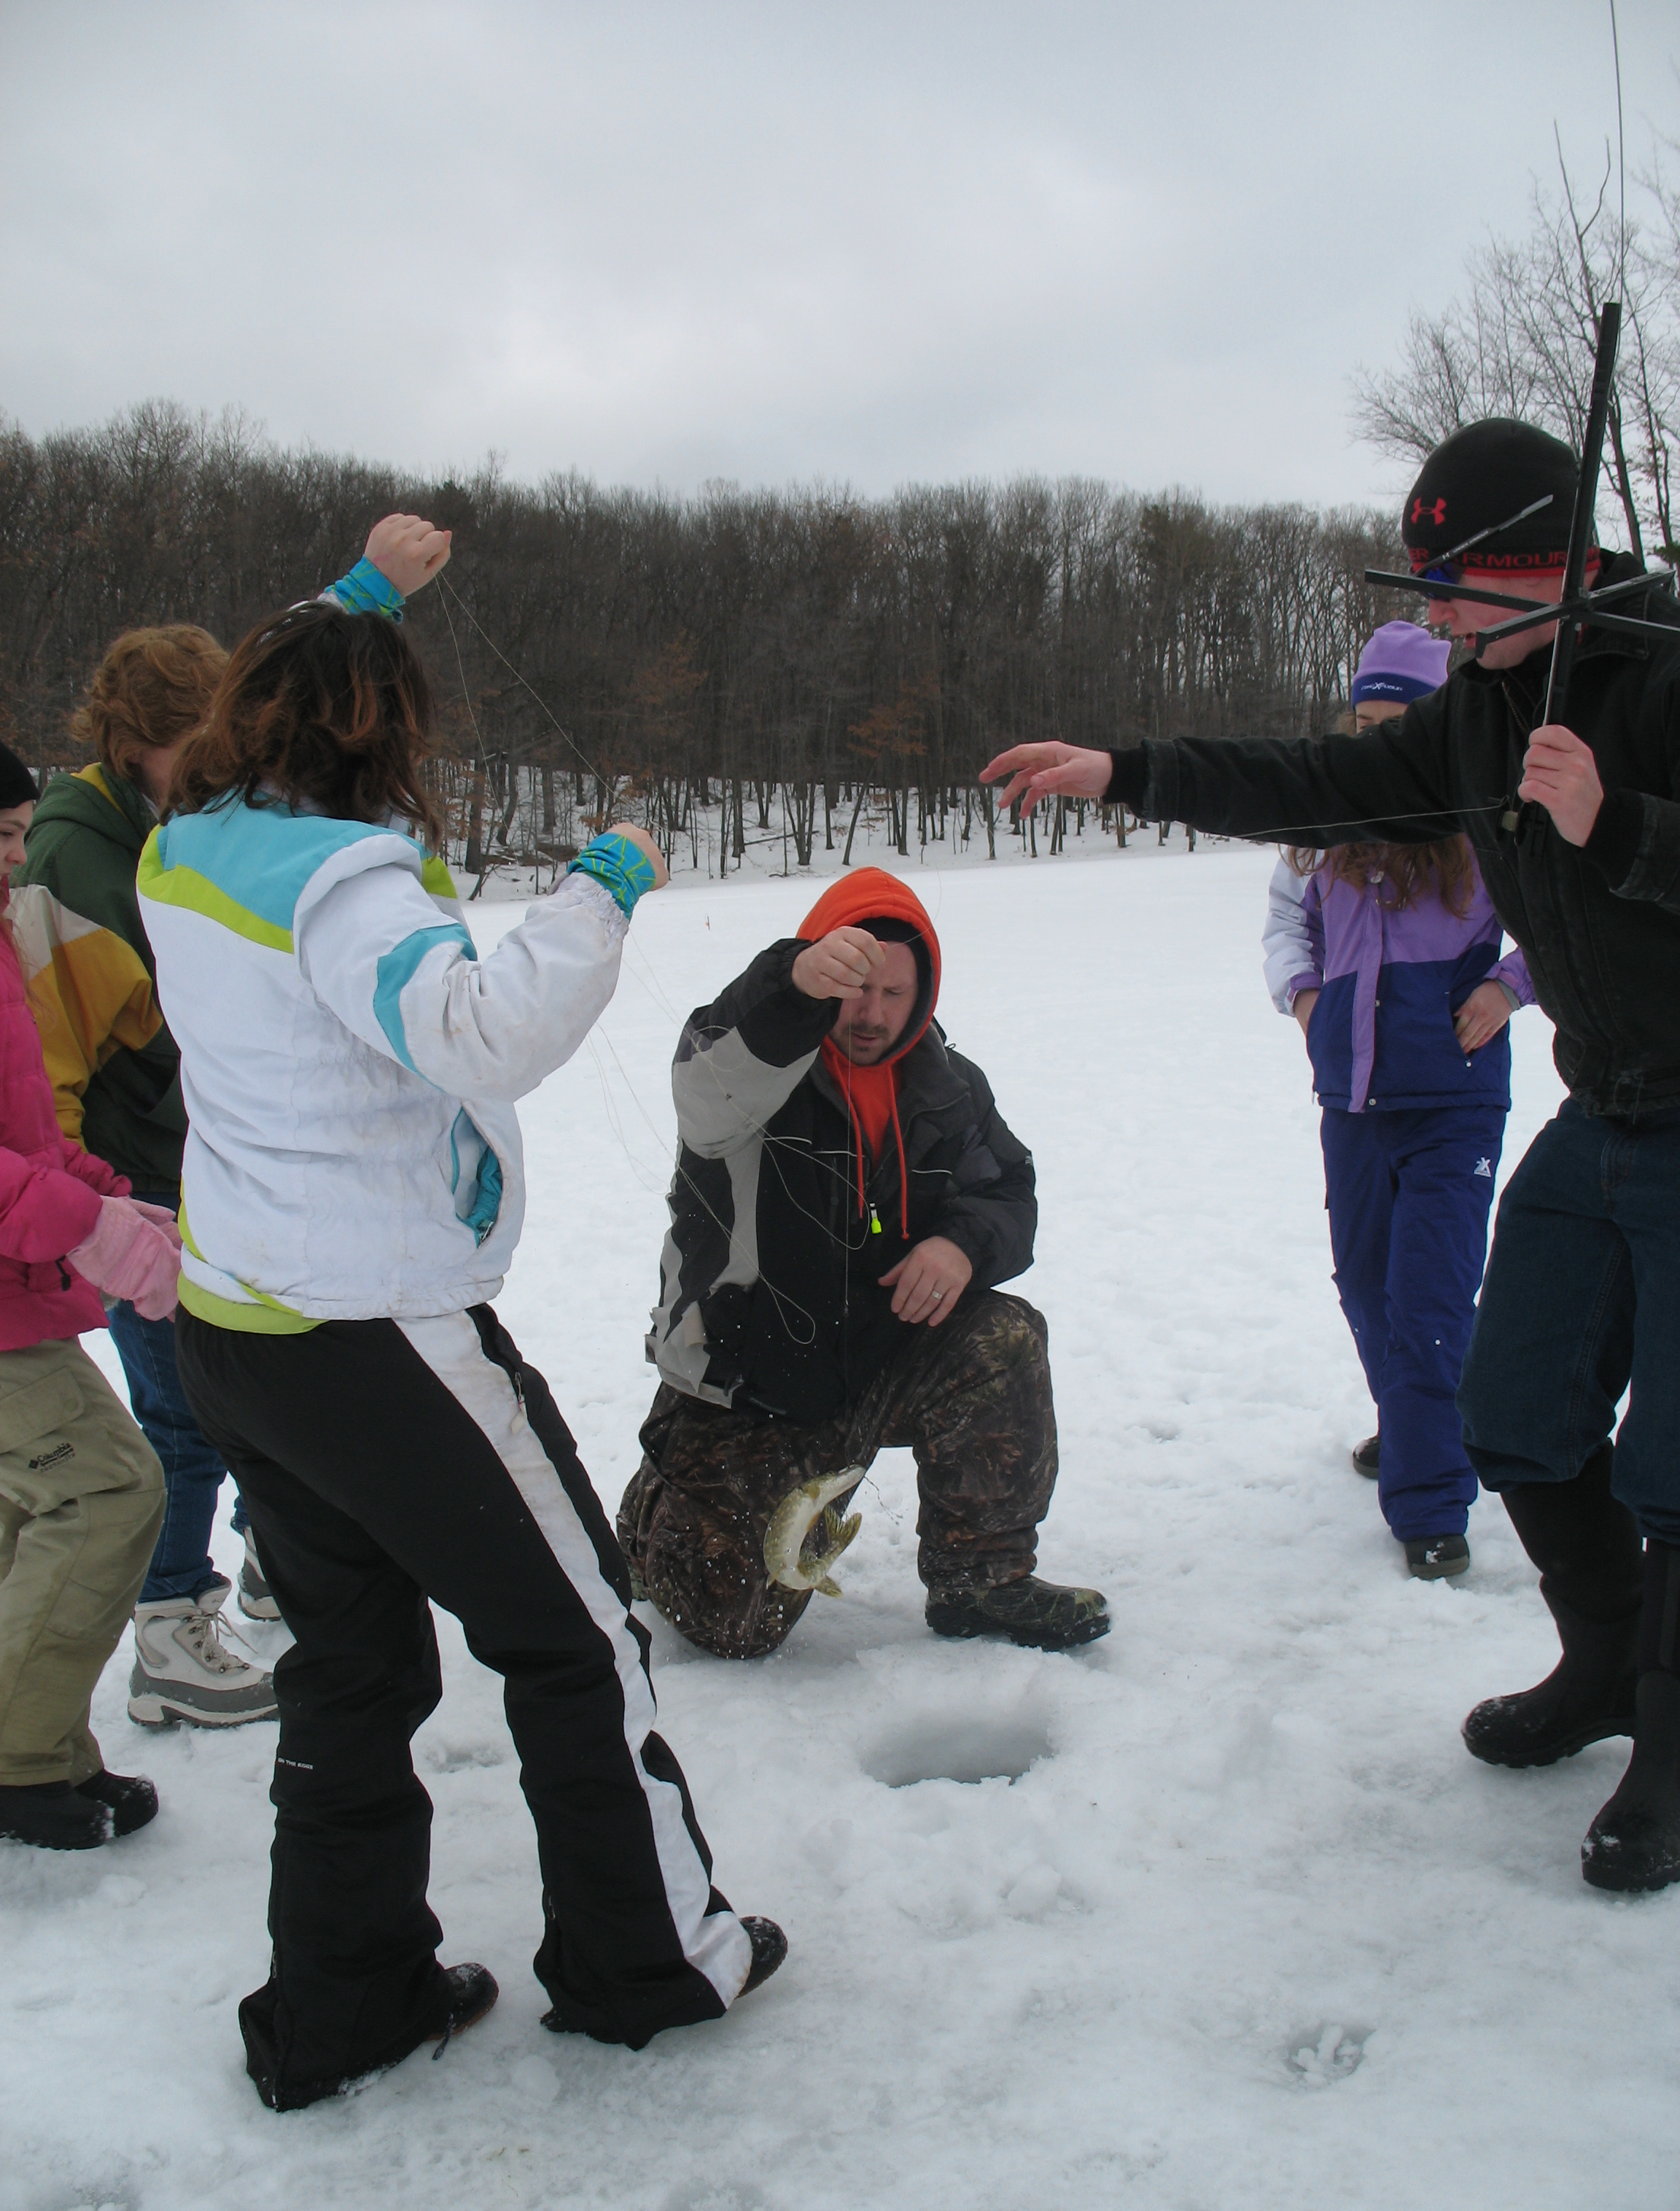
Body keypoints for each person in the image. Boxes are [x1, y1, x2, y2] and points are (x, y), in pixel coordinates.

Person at [981, 416, 1680, 1892]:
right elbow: (1315, 784)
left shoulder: (1667, 668)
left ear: (1541, 565)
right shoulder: (1485, 710)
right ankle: (1610, 1663)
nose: (1428, 616)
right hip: (1606, 1105)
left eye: (1449, 585)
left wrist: (1621, 828)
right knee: (1512, 1410)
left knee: (1674, 1464)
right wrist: (1124, 769)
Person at [137, 541, 782, 2111]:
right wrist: (604, 885)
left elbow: (284, 671)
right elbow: (481, 1024)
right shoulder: (346, 887)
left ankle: (342, 2007)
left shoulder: (187, 848)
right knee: (575, 1640)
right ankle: (652, 1959)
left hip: (245, 1334)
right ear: (380, 741)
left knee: (353, 1673)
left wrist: (364, 593)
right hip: (382, 1337)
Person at [618, 865, 1108, 1657]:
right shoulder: (752, 1074)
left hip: (882, 1355)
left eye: (895, 993)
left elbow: (1008, 1190)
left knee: (1004, 1335)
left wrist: (959, 1245)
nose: (872, 1013)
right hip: (754, 1381)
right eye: (855, 986)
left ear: (923, 996)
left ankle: (979, 1581)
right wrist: (791, 983)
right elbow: (707, 1092)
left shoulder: (947, 1086)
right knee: (733, 1629)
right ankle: (649, 1515)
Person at [23, 619, 278, 1726]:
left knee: (259, 1379)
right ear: (134, 741)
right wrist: (89, 1211)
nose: (212, 768)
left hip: (206, 1155)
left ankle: (278, 1551)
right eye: (192, 745)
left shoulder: (172, 822)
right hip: (133, 1175)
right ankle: (169, 1626)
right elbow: (46, 1059)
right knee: (180, 1408)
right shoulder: (74, 853)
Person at [1260, 620, 1534, 1579]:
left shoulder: (1486, 820)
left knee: (1427, 1296)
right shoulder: (1328, 831)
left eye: (1400, 722)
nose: (1381, 741)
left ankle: (1428, 1501)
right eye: (1368, 721)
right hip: (1351, 1100)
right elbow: (1284, 929)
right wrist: (1304, 998)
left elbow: (1556, 916)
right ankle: (1421, 1419)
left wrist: (1506, 987)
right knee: (1364, 1283)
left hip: (1453, 1101)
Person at [0, 739, 182, 1851]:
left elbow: (24, 1130)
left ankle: (47, 1747)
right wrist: (85, 1226)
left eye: (15, 839)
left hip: (16, 1289)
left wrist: (118, 1200)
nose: (8, 862)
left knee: (25, 1510)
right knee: (110, 1489)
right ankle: (19, 1761)